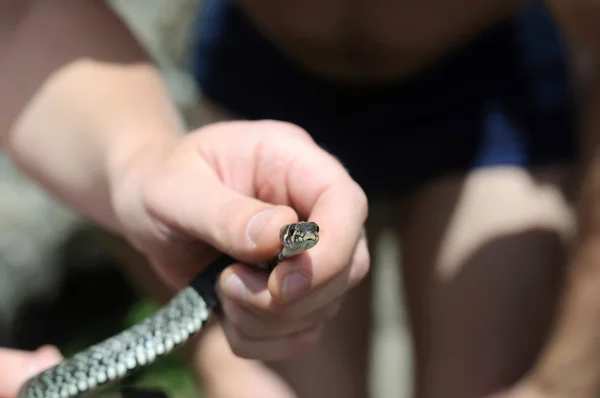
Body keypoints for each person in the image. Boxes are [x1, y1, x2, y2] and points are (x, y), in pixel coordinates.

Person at [1, 2, 600, 398]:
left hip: (486, 94)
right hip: (265, 78)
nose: (301, 240)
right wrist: (220, 352)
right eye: (294, 240)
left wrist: (560, 383)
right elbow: (29, 26)